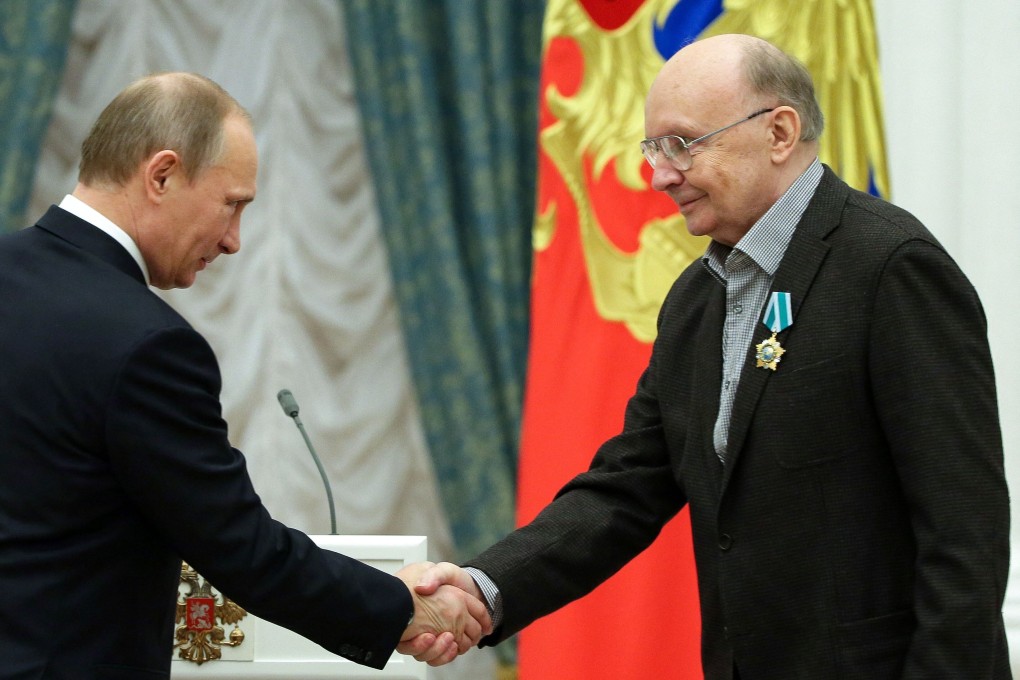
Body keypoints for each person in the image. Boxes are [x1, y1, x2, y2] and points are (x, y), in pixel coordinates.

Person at [406, 33, 1011, 679]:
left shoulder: (892, 268)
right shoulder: (696, 300)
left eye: (682, 144)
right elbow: (626, 488)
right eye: (653, 149)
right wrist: (482, 589)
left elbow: (963, 538)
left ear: (780, 132)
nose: (660, 174)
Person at [0, 72, 490, 679]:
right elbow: (244, 551)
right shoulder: (147, 344)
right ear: (162, 175)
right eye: (232, 204)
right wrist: (404, 608)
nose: (234, 241)